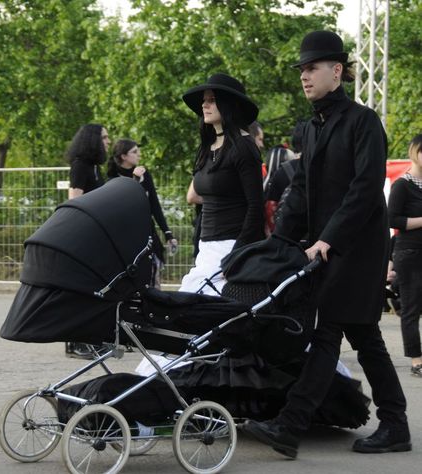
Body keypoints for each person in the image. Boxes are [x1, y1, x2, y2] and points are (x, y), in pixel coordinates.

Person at [241, 30, 410, 458]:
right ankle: (395, 423)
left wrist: (327, 239)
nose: (304, 76)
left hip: (358, 248)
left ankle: (290, 425)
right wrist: (277, 242)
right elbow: (300, 189)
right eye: (301, 69)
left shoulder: (363, 121)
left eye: (312, 68)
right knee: (365, 336)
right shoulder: (311, 129)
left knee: (329, 331)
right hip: (326, 248)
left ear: (337, 71)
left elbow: (366, 189)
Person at [178, 73, 265, 294]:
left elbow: (256, 207)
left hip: (231, 247)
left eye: (212, 100)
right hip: (206, 248)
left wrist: (237, 254)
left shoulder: (244, 147)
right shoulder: (208, 148)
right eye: (204, 100)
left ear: (228, 104)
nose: (204, 105)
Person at [65, 123, 110, 358]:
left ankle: (89, 339)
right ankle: (75, 343)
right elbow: (75, 202)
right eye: (104, 137)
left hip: (93, 234)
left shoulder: (93, 167)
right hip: (82, 236)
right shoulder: (81, 165)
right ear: (93, 140)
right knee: (81, 290)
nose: (108, 141)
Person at [107, 138, 177, 289]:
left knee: (153, 275)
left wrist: (168, 233)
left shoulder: (145, 173)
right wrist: (135, 179)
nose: (139, 154)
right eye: (134, 152)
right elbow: (125, 203)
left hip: (147, 232)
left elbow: (154, 205)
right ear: (123, 156)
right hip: (126, 237)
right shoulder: (112, 180)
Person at [388, 134, 422, 376]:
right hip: (410, 252)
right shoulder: (402, 185)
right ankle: (416, 360)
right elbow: (392, 219)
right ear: (414, 152)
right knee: (411, 308)